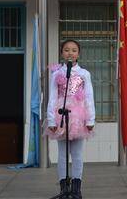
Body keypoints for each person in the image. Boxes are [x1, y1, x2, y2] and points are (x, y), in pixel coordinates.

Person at [46, 40, 95, 199]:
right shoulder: (57, 73)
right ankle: (63, 188)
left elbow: (89, 97)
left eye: (74, 50)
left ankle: (76, 189)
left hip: (79, 116)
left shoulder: (84, 74)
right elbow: (52, 97)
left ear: (78, 54)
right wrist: (51, 120)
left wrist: (90, 119)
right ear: (62, 53)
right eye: (66, 50)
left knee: (77, 154)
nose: (70, 53)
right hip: (62, 114)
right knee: (62, 154)